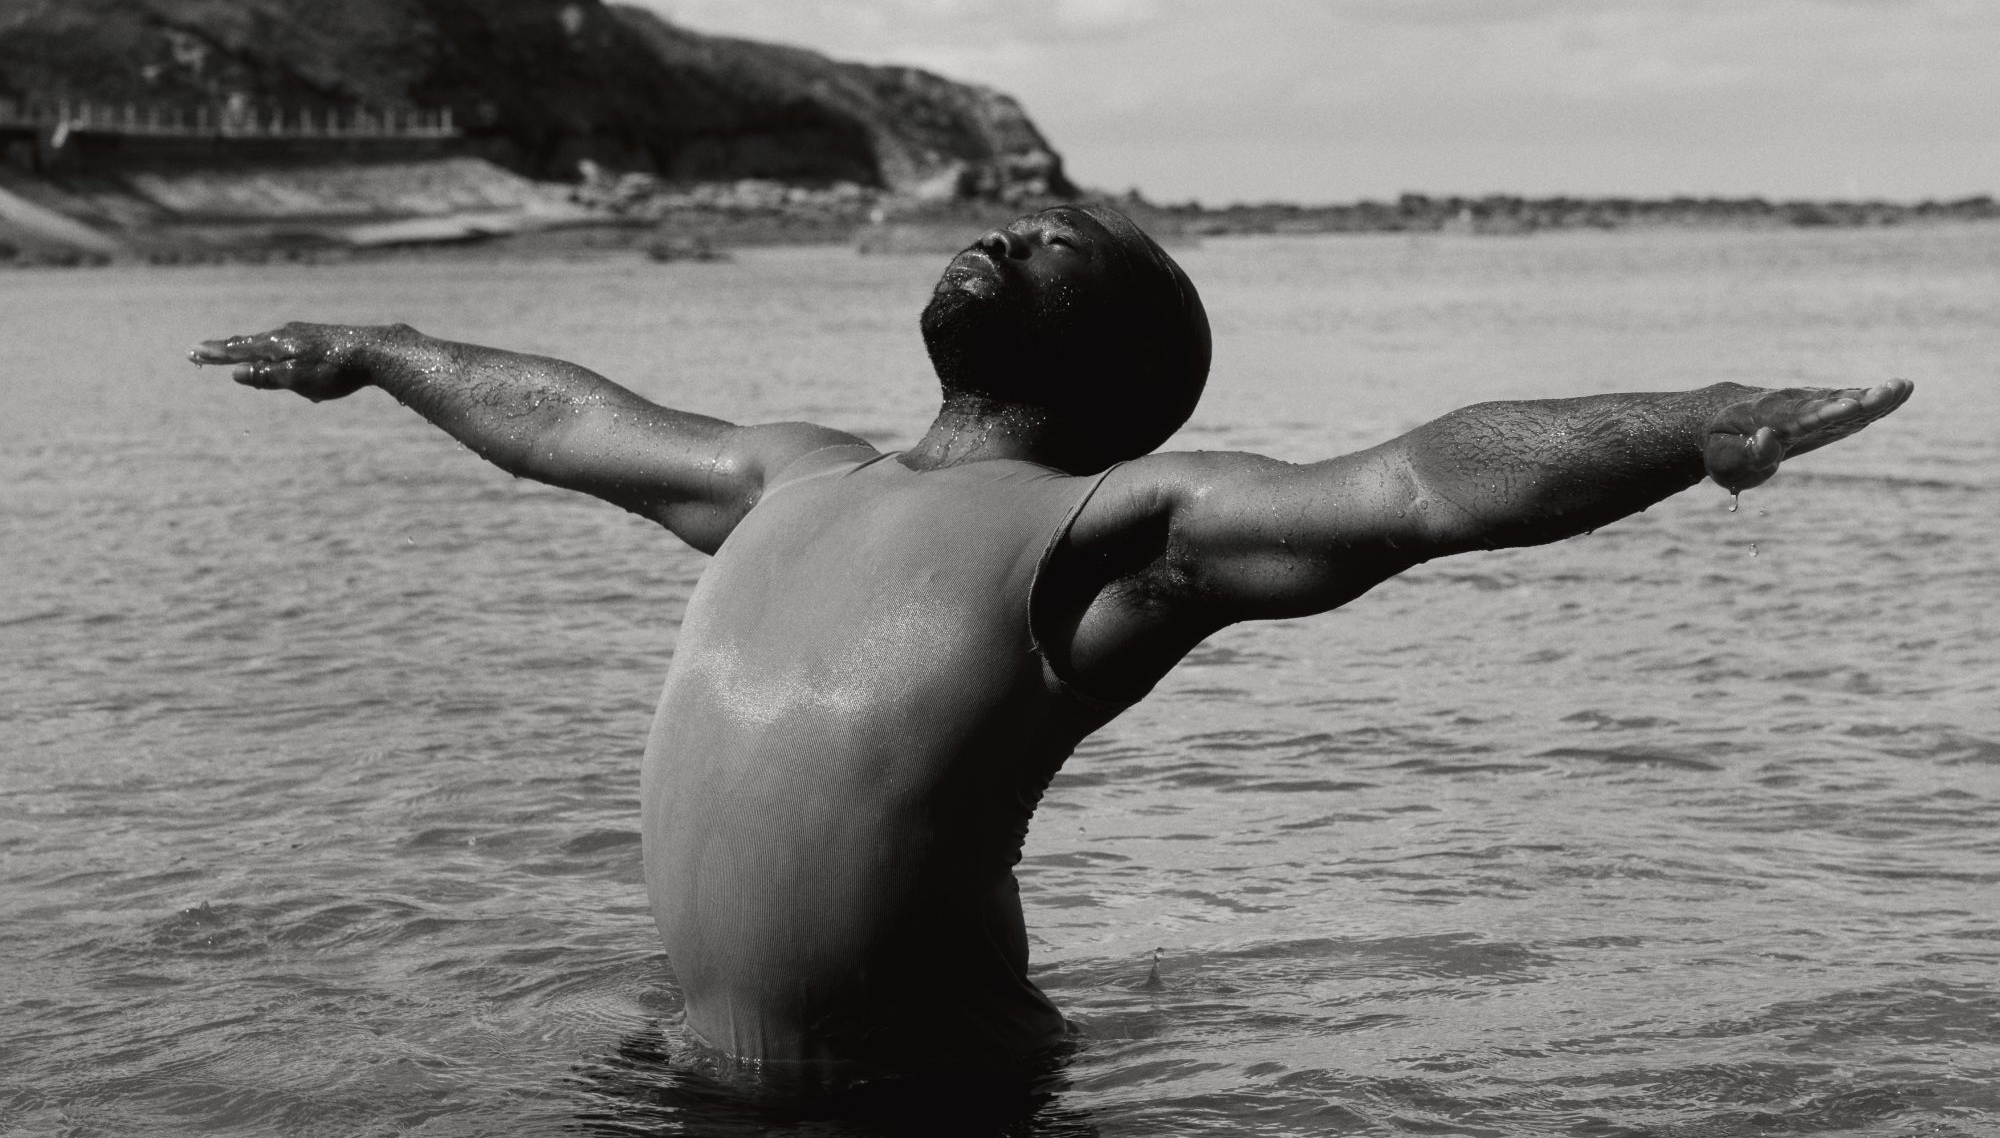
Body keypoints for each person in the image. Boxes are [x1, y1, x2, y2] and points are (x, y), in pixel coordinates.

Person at [191, 203, 1911, 1077]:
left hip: (931, 1109)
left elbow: (1420, 484)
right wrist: (385, 342)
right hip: (695, 1082)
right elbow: (561, 419)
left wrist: (1703, 419)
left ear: (1124, 367)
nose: (1012, 223)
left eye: (1064, 242)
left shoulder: (1111, 540)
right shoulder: (781, 477)